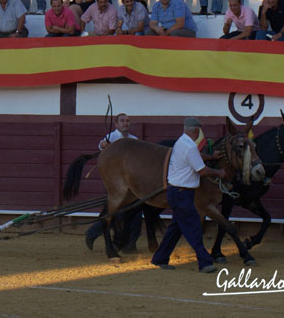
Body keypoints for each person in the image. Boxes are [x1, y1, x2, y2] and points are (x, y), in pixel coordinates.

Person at [151, 117, 226, 272]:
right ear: (197, 131)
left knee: (176, 228)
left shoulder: (181, 142)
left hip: (176, 192)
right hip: (182, 193)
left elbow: (194, 159)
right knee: (193, 228)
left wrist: (211, 157)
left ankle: (160, 258)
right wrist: (219, 172)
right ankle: (205, 262)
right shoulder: (190, 147)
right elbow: (202, 170)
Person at [85, 113, 142, 252]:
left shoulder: (134, 139)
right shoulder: (112, 137)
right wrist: (109, 145)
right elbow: (102, 144)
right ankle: (93, 233)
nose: (126, 123)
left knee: (136, 213)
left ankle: (130, 244)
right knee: (117, 213)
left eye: (128, 121)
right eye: (122, 121)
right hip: (116, 183)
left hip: (131, 183)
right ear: (116, 124)